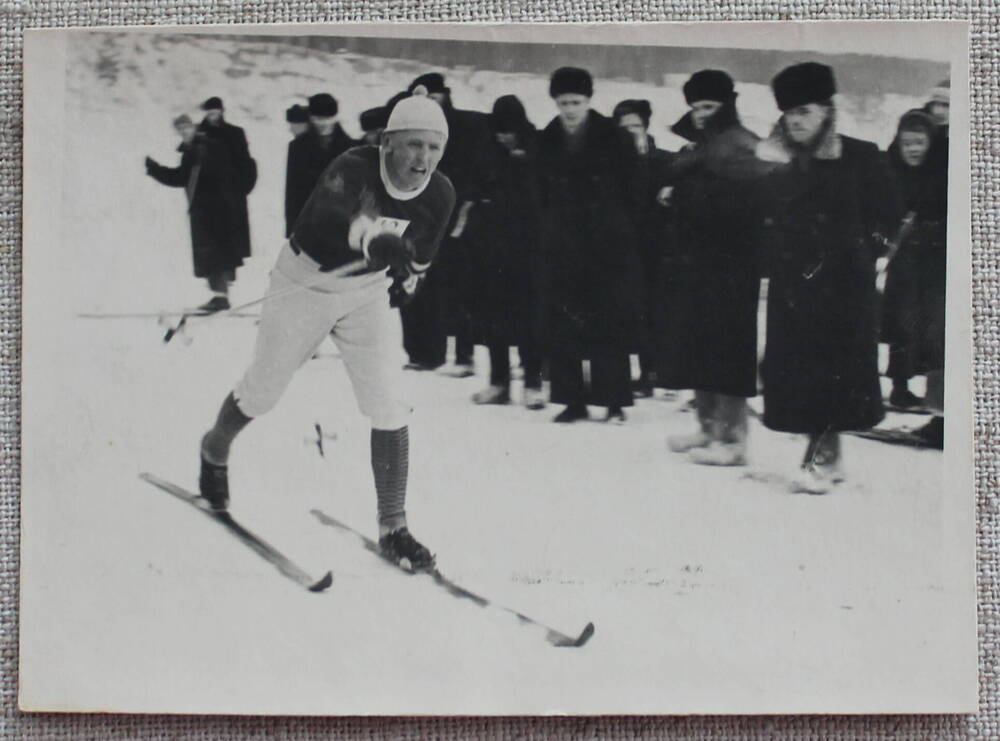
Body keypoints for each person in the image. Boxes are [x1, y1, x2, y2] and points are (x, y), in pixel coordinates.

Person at [197, 93, 455, 570]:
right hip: (305, 281)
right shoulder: (353, 166)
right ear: (389, 142)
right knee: (263, 391)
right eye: (413, 145)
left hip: (365, 292)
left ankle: (394, 526)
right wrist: (373, 238)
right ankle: (214, 448)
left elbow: (421, 257)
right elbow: (336, 215)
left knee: (389, 401)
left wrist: (409, 276)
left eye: (434, 147)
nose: (423, 158)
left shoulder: (440, 193)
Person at [756, 62, 904, 493]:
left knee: (829, 375)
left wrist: (864, 251)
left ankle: (822, 458)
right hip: (793, 288)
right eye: (789, 113)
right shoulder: (778, 162)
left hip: (841, 289)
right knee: (800, 375)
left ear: (826, 110)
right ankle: (824, 455)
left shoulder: (861, 156)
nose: (795, 121)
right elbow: (765, 217)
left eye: (804, 111)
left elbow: (890, 217)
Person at [656, 70, 771, 466]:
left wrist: (684, 195)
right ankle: (707, 428)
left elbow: (744, 205)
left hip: (732, 267)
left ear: (727, 104)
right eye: (695, 107)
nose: (701, 114)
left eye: (708, 106)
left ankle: (734, 438)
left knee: (729, 351)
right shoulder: (702, 144)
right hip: (698, 263)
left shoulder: (741, 145)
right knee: (697, 344)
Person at [535, 67, 642, 424]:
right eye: (563, 102)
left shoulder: (614, 137)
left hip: (607, 246)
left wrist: (621, 233)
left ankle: (614, 401)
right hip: (562, 246)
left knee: (609, 322)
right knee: (563, 322)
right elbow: (539, 193)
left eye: (576, 102)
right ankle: (571, 399)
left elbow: (633, 190)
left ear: (589, 100)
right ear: (554, 101)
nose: (570, 109)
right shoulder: (546, 139)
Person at [399, 73, 494, 377]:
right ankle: (424, 354)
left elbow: (480, 171)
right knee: (415, 287)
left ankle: (464, 357)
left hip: (457, 224)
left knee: (459, 289)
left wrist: (469, 208)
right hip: (419, 222)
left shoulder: (468, 126)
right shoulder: (408, 130)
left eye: (435, 99)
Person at [468, 95, 546, 410]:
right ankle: (498, 382)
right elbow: (474, 188)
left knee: (529, 320)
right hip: (492, 248)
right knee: (493, 319)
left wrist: (522, 165)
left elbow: (541, 193)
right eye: (499, 131)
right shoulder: (486, 150)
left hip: (528, 249)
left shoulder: (536, 147)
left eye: (510, 131)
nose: (504, 137)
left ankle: (533, 383)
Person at [145, 101, 255, 313]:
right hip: (205, 210)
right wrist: (155, 170)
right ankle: (219, 296)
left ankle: (220, 297)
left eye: (187, 127)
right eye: (180, 129)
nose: (184, 132)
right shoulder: (193, 149)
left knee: (218, 255)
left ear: (194, 126)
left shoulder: (207, 145)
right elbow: (181, 177)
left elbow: (225, 169)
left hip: (218, 209)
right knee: (213, 256)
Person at [881, 109, 947, 446]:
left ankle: (941, 412)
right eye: (907, 142)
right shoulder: (890, 167)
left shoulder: (944, 168)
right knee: (903, 325)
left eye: (920, 142)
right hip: (906, 258)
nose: (913, 149)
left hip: (939, 260)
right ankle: (900, 388)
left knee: (938, 333)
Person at [611, 99, 673, 399]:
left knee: (655, 309)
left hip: (657, 248)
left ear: (646, 127)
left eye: (635, 126)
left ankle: (653, 371)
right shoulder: (613, 163)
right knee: (628, 311)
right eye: (624, 128)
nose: (631, 133)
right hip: (625, 247)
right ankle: (637, 373)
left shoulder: (664, 160)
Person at [284, 93, 356, 237]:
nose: (322, 124)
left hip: (341, 220)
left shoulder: (351, 147)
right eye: (318, 119)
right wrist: (292, 228)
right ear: (310, 118)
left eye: (327, 119)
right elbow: (292, 191)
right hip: (308, 221)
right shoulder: (297, 147)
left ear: (335, 118)